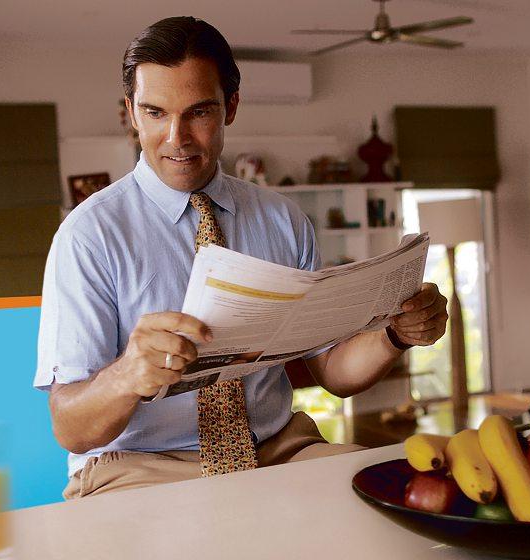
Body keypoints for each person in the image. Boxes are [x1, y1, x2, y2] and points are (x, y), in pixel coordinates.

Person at [33, 16, 448, 499]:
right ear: (132, 113)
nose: (177, 137)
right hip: (142, 465)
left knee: (381, 495)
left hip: (275, 449)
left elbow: (334, 372)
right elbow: (71, 429)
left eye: (198, 112)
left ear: (230, 107)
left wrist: (396, 334)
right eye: (155, 113)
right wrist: (126, 374)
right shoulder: (88, 235)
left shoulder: (283, 219)